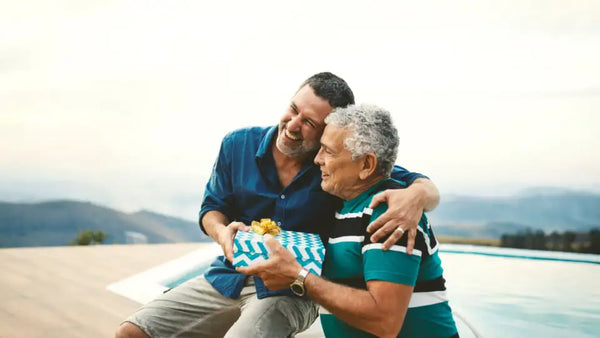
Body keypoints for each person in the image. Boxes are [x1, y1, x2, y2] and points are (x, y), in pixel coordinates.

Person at [116, 72, 441, 338]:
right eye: (293, 109)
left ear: (329, 131)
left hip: (294, 290)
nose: (293, 124)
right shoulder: (237, 145)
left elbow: (392, 174)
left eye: (310, 123)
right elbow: (212, 206)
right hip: (228, 275)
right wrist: (221, 233)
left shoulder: (336, 164)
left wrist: (417, 196)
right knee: (131, 333)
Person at [238, 104, 458, 337]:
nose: (317, 160)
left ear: (366, 165)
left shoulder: (387, 214)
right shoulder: (344, 207)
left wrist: (300, 277)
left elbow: (384, 320)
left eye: (328, 151)